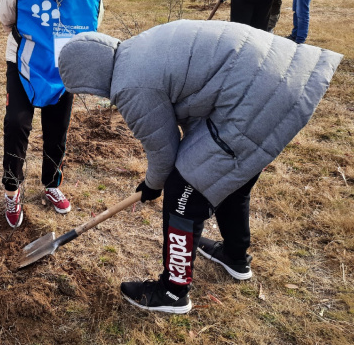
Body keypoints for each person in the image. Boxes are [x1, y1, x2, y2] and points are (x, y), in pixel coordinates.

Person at [58, 20, 342, 314]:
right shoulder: (137, 50)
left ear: (90, 76)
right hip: (281, 75)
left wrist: (153, 185)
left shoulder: (130, 83)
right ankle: (234, 256)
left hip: (260, 95)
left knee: (184, 191)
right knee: (228, 175)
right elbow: (196, 104)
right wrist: (157, 180)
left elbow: (163, 150)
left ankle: (172, 292)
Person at [0, 0, 104, 228]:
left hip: (63, 70)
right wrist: (37, 43)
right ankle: (12, 189)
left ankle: (51, 184)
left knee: (57, 130)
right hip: (24, 64)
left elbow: (91, 31)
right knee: (16, 124)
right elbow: (7, 20)